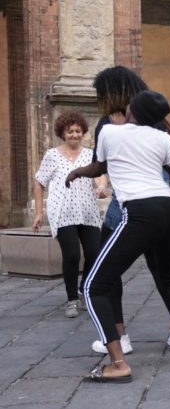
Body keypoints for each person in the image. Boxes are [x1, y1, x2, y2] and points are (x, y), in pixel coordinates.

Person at [68, 90, 170, 383]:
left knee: (95, 285)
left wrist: (77, 172)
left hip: (140, 211)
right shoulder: (164, 138)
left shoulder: (109, 131)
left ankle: (118, 363)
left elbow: (99, 167)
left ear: (134, 110)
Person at [87, 66, 170, 355]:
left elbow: (101, 166)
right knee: (165, 273)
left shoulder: (108, 124)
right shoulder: (157, 121)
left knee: (107, 274)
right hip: (162, 203)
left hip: (127, 205)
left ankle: (120, 337)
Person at [32, 111, 106, 318]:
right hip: (62, 212)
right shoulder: (52, 155)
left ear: (83, 132)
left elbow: (100, 175)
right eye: (70, 131)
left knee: (94, 254)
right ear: (62, 133)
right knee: (72, 255)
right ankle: (72, 299)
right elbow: (38, 182)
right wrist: (39, 213)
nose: (74, 135)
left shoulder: (90, 154)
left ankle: (83, 288)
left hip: (88, 210)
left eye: (78, 131)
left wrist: (100, 187)